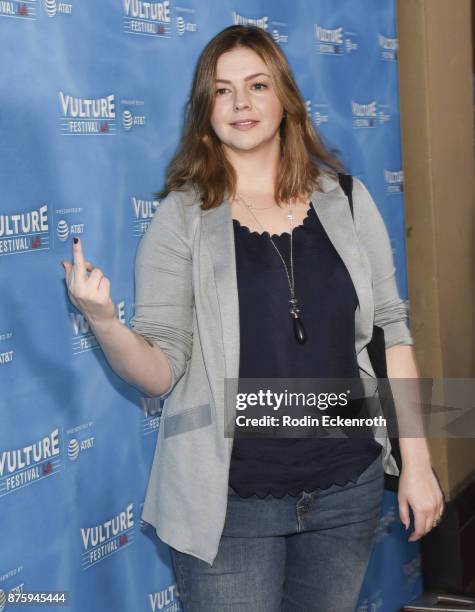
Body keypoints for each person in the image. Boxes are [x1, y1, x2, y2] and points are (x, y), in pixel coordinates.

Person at [63, 25, 445, 612]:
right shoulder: (181, 218)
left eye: (257, 84)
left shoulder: (346, 198)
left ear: (285, 97)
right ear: (204, 110)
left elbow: (390, 333)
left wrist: (417, 465)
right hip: (229, 507)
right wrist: (106, 323)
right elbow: (161, 372)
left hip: (348, 492)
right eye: (222, 90)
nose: (241, 103)